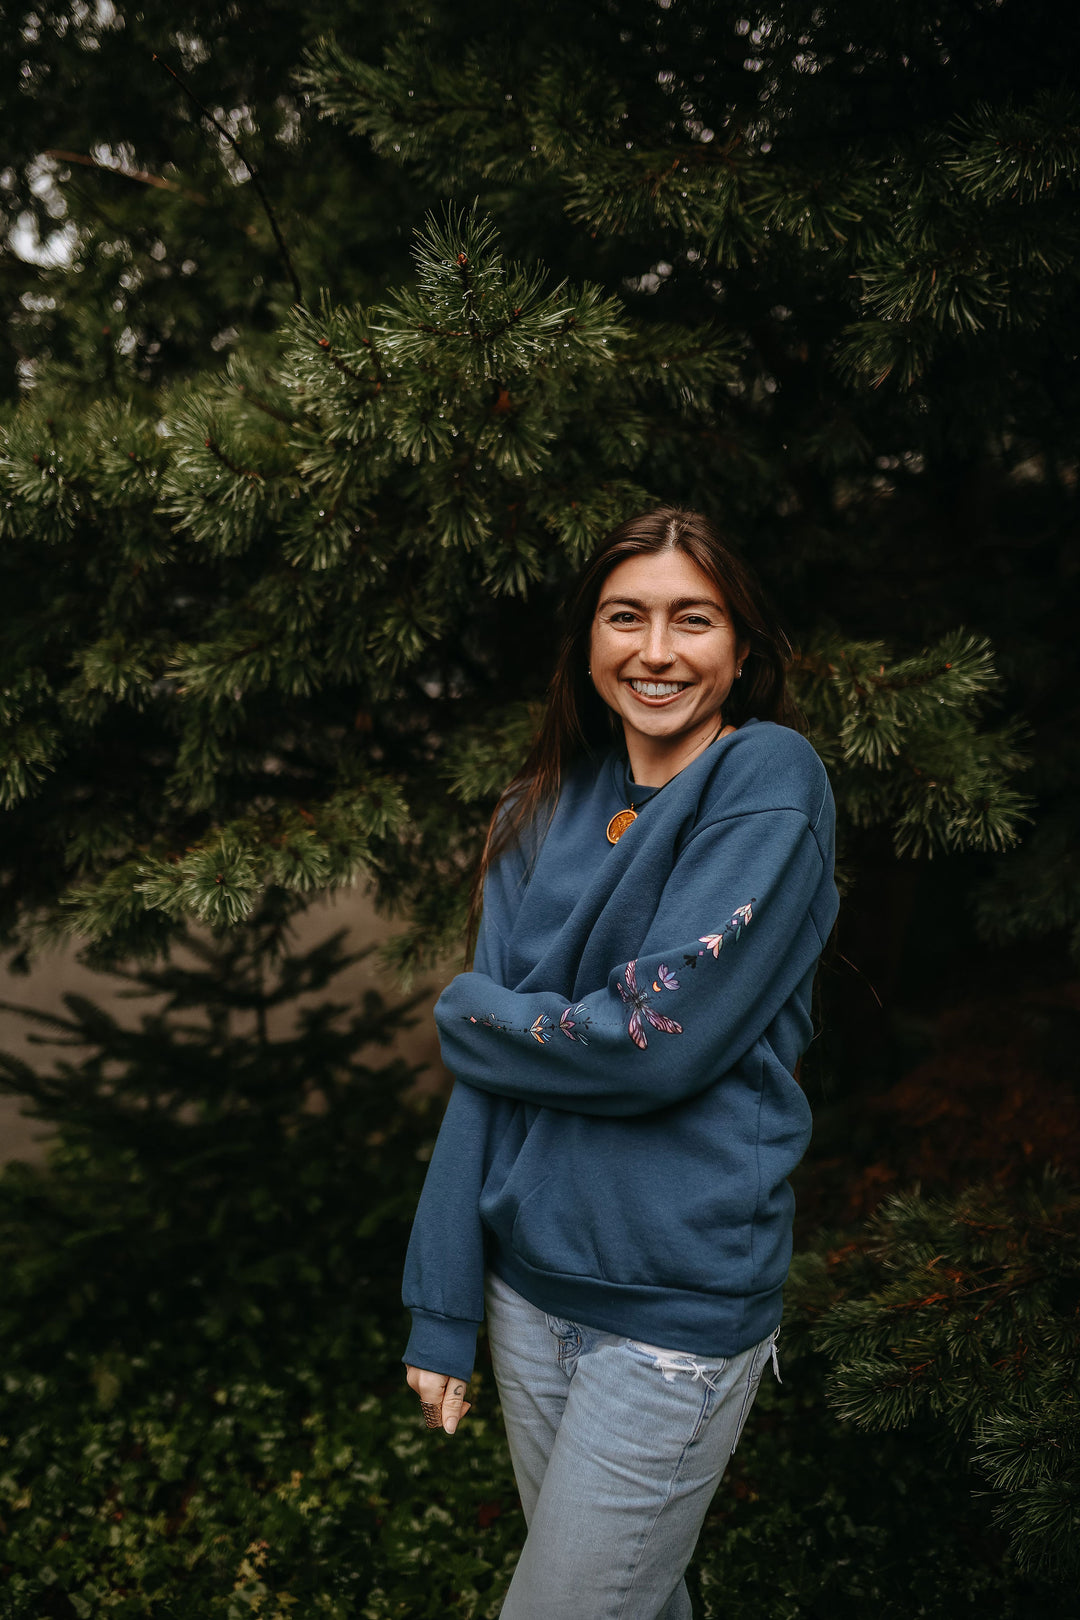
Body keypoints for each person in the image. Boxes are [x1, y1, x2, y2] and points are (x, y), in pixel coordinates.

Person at [402, 506, 838, 1619]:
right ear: (587, 641)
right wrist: (443, 1302)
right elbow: (487, 1081)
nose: (655, 651)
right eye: (624, 617)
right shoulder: (539, 809)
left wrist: (473, 1010)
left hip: (672, 1314)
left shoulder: (765, 783)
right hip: (528, 1293)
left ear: (740, 649)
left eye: (692, 620)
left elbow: (652, 1047)